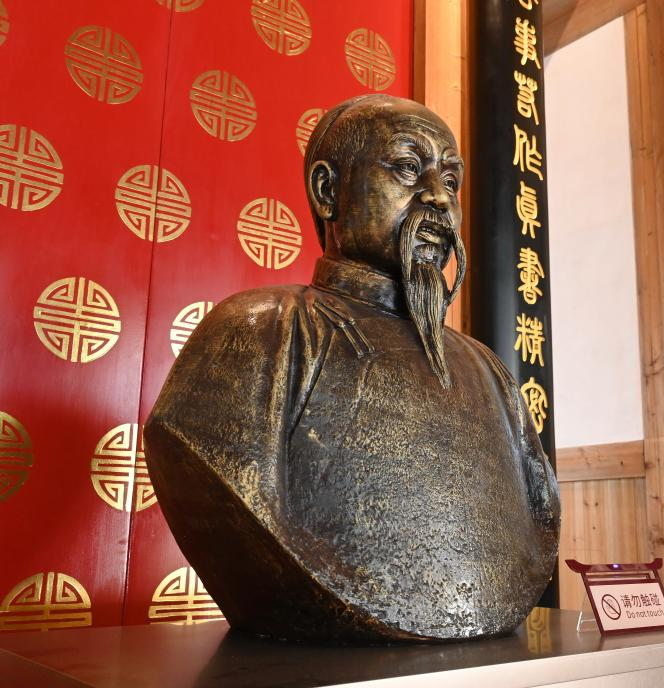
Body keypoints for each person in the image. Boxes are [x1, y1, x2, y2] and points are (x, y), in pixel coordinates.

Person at [144, 95, 559, 643]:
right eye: (407, 168)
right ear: (327, 190)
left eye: (450, 180)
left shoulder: (487, 369)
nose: (438, 198)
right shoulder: (261, 331)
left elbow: (540, 514)